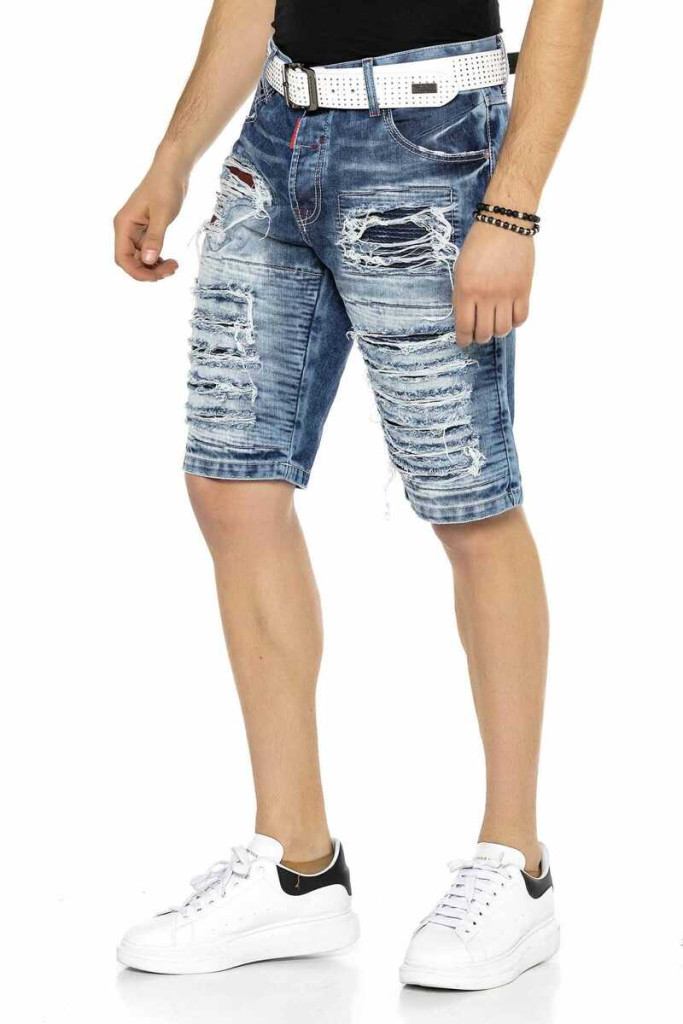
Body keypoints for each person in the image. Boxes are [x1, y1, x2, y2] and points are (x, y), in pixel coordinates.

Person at [114, 0, 602, 989]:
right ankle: (297, 866)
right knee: (230, 480)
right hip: (274, 139)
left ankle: (516, 862)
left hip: (430, 145)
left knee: (467, 497)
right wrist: (172, 156)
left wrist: (511, 209)